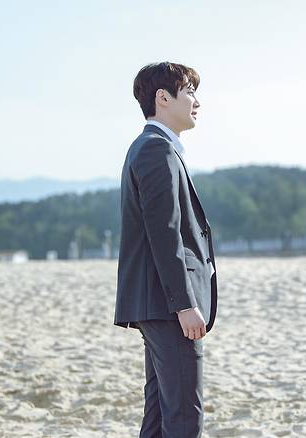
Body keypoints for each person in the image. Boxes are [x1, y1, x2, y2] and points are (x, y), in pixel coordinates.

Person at [114, 61, 217, 438]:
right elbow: (165, 233)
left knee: (160, 415)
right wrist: (184, 304)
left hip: (158, 302)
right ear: (163, 98)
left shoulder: (152, 148)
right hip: (167, 304)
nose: (197, 102)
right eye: (189, 92)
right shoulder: (156, 150)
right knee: (184, 416)